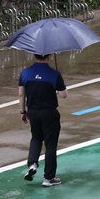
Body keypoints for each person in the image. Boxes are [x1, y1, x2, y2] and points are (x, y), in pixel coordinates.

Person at [18, 54, 68, 187]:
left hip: (33, 113)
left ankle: (32, 164)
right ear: (49, 56)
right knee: (50, 145)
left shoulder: (25, 73)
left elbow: (21, 94)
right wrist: (57, 85)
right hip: (49, 113)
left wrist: (23, 112)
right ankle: (48, 178)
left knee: (36, 138)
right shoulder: (54, 74)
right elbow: (63, 95)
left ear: (34, 55)